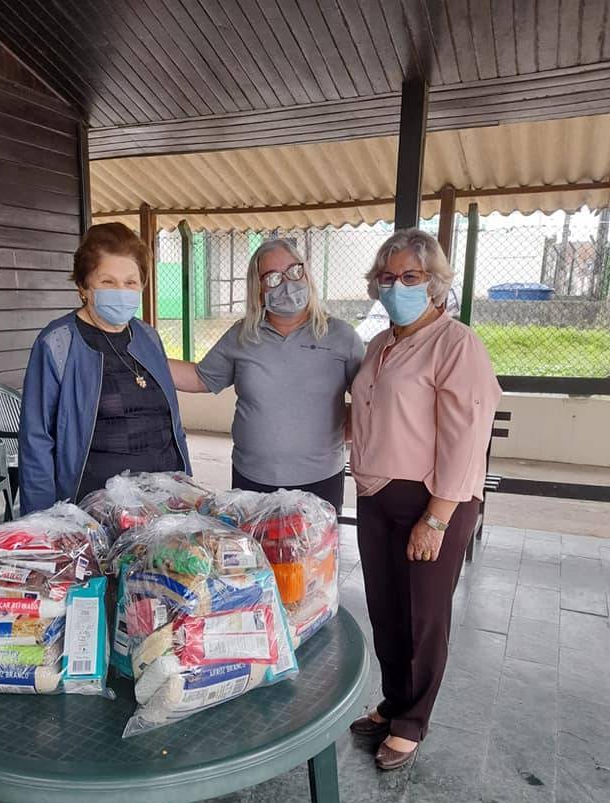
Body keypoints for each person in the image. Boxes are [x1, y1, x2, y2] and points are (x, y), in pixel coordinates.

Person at [349, 228, 501, 771]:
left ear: (435, 284)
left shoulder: (457, 344)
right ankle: (394, 703)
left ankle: (413, 721)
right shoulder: (381, 343)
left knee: (423, 614)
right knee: (386, 608)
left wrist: (436, 519)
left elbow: (465, 440)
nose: (397, 287)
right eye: (387, 277)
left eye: (411, 277)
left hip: (432, 500)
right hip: (375, 494)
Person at [168, 238, 365, 514]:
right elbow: (201, 378)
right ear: (258, 289)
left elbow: (368, 400)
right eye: (272, 278)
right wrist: (145, 358)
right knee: (255, 556)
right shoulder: (242, 335)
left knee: (313, 557)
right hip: (252, 480)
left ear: (306, 272)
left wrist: (341, 432)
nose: (287, 283)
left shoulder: (341, 336)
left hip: (320, 481)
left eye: (294, 270)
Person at [19, 222, 190, 515]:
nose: (121, 291)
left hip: (163, 503)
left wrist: (185, 486)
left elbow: (171, 422)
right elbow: (36, 440)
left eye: (130, 282)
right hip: (95, 509)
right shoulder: (58, 343)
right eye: (107, 282)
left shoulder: (148, 337)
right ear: (83, 287)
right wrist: (44, 521)